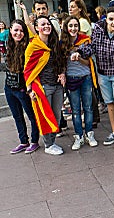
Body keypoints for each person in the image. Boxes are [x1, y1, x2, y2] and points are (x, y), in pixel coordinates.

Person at [71, 6, 114, 150]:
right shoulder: (98, 30)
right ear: (106, 20)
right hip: (103, 73)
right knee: (110, 103)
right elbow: (92, 47)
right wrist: (79, 52)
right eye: (111, 19)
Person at [24, 15, 66, 155]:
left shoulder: (54, 44)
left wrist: (62, 73)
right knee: (45, 116)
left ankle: (52, 142)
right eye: (43, 24)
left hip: (57, 86)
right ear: (36, 28)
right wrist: (30, 90)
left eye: (48, 23)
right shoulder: (33, 47)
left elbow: (61, 62)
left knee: (57, 116)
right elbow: (28, 70)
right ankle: (48, 145)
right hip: (43, 87)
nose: (47, 26)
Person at [61, 16, 98, 150]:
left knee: (88, 108)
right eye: (70, 26)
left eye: (75, 25)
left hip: (85, 77)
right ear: (66, 27)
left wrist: (79, 57)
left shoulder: (85, 40)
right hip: (71, 79)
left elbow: (88, 62)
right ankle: (78, 136)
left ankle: (89, 134)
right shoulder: (62, 43)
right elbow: (61, 64)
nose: (73, 28)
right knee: (75, 110)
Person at [5, 20, 40, 154]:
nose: (18, 33)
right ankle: (23, 141)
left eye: (21, 31)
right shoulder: (8, 45)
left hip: (23, 89)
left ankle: (34, 141)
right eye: (16, 30)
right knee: (17, 116)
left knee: (32, 116)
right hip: (9, 87)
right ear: (10, 30)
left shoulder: (28, 47)